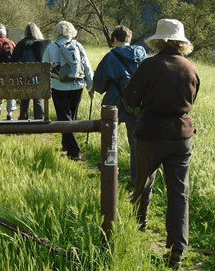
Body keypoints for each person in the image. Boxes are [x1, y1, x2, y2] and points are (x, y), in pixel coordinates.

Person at [123, 19, 200, 269]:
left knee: (143, 181)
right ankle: (177, 248)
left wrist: (139, 108)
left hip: (150, 132)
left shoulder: (148, 66)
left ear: (159, 40)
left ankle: (138, 226)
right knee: (179, 191)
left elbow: (130, 99)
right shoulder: (190, 68)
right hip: (181, 135)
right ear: (181, 42)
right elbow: (192, 99)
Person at [93, 25, 147, 186]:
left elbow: (99, 85)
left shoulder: (110, 57)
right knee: (135, 141)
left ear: (115, 39)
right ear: (129, 39)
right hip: (137, 103)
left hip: (114, 103)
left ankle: (110, 170)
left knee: (110, 138)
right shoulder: (142, 54)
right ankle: (136, 178)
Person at [42, 21, 94, 160]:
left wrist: (44, 88)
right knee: (72, 117)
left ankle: (75, 151)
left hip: (59, 86)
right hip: (77, 85)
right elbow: (87, 66)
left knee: (64, 117)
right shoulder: (77, 45)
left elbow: (43, 69)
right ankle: (66, 144)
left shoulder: (51, 47)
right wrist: (90, 86)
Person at [11, 22, 51, 120]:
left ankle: (23, 119)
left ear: (26, 32)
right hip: (38, 77)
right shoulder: (42, 44)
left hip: (23, 78)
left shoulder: (21, 44)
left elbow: (13, 62)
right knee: (38, 97)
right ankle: (39, 119)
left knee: (25, 96)